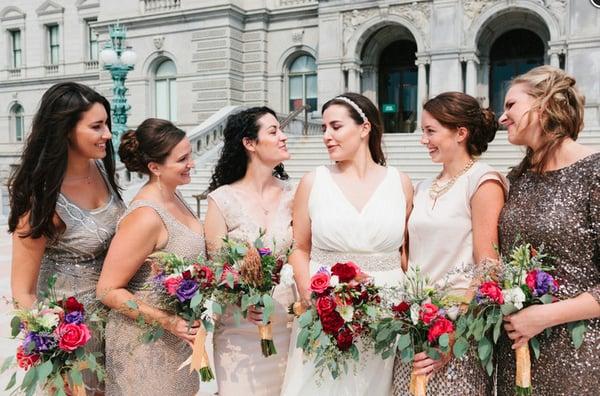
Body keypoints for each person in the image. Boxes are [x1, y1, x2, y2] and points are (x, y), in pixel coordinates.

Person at [281, 92, 413, 395]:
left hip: (386, 316)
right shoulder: (313, 182)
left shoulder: (400, 183)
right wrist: (313, 297)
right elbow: (299, 248)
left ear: (364, 128)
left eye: (335, 127)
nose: (326, 136)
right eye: (324, 128)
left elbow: (406, 253)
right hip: (326, 312)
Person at [8, 82, 124, 395]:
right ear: (66, 130)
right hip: (73, 341)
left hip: (116, 325)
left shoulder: (101, 168)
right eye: (97, 127)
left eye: (107, 124)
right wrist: (55, 351)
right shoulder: (41, 197)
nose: (107, 134)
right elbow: (22, 290)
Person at [391, 92, 507, 395]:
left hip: (459, 332)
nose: (423, 139)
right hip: (414, 328)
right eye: (422, 131)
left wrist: (452, 336)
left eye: (430, 131)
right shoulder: (422, 187)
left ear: (460, 133)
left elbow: (489, 266)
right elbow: (408, 256)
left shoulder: (484, 181)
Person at [497, 65, 599, 395]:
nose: (502, 117)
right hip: (519, 347)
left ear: (544, 104)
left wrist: (545, 316)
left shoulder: (594, 172)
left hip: (578, 349)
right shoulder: (517, 179)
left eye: (510, 105)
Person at [96, 118, 204, 396]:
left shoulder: (179, 197)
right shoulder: (145, 216)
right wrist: (167, 321)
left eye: (189, 155)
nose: (191, 163)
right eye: (182, 159)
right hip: (144, 345)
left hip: (178, 340)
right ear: (155, 167)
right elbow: (107, 290)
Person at [204, 107, 295, 396]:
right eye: (273, 131)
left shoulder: (295, 195)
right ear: (249, 143)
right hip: (239, 335)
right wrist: (246, 299)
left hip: (287, 331)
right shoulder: (222, 200)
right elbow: (216, 269)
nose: (283, 136)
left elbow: (304, 253)